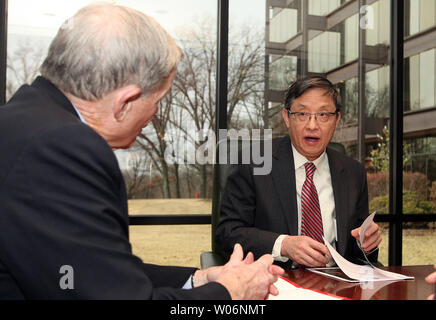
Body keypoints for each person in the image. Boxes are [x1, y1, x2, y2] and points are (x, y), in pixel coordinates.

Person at [0, 4, 283, 300]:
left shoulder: (25, 126)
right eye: (158, 99)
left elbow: (93, 272)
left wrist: (199, 279)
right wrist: (229, 294)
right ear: (125, 102)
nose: (155, 114)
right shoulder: (64, 148)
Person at [216, 76, 382, 269]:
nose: (312, 125)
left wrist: (367, 244)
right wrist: (284, 245)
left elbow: (357, 251)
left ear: (337, 120)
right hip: (275, 281)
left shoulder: (353, 173)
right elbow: (228, 233)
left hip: (336, 284)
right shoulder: (254, 163)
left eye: (323, 115)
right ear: (287, 117)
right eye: (302, 114)